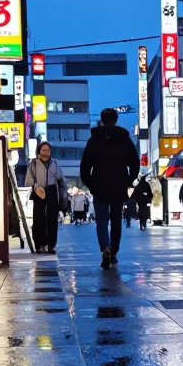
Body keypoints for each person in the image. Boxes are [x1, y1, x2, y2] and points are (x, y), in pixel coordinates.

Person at [80, 107, 140, 268]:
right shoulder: (125, 140)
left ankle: (104, 247)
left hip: (99, 185)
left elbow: (85, 165)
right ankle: (113, 251)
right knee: (116, 220)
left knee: (101, 220)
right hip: (119, 185)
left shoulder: (94, 140)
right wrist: (129, 180)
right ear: (116, 119)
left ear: (102, 119)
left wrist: (90, 183)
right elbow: (135, 164)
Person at [24, 142, 67, 253]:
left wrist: (63, 194)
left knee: (52, 219)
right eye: (43, 150)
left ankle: (51, 245)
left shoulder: (55, 163)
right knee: (39, 219)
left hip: (52, 191)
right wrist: (35, 187)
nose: (46, 152)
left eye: (48, 150)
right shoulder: (34, 163)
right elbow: (29, 181)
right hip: (39, 192)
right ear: (39, 151)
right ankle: (39, 245)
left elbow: (62, 180)